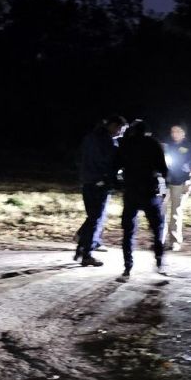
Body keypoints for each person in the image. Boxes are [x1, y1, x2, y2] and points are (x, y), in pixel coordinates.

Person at [116, 119, 169, 277]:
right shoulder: (154, 144)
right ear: (148, 131)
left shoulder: (126, 144)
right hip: (150, 191)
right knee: (157, 227)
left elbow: (115, 165)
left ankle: (128, 265)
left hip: (131, 191)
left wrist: (119, 183)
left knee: (128, 230)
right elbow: (164, 169)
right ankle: (159, 260)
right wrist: (164, 186)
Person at [74, 114, 126, 266]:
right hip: (99, 183)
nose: (120, 133)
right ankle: (86, 253)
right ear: (114, 126)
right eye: (120, 129)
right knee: (95, 218)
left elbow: (79, 157)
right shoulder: (107, 141)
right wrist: (108, 178)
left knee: (92, 217)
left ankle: (81, 248)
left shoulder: (91, 137)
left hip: (87, 181)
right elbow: (109, 162)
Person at [162, 124, 191, 252]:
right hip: (165, 183)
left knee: (175, 212)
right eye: (172, 131)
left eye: (178, 131)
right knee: (160, 212)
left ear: (183, 133)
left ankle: (174, 241)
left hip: (181, 183)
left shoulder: (190, 147)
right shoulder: (166, 145)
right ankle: (160, 240)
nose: (174, 134)